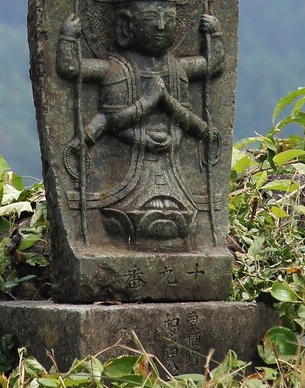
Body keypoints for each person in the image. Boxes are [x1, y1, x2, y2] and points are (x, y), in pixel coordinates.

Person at [57, 0, 225, 243]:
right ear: (126, 24)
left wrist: (215, 34)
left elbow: (213, 67)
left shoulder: (177, 68)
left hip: (171, 169)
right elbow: (72, 69)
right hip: (128, 175)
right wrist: (68, 37)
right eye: (151, 17)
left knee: (180, 215)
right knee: (127, 218)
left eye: (169, 19)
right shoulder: (117, 69)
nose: (161, 26)